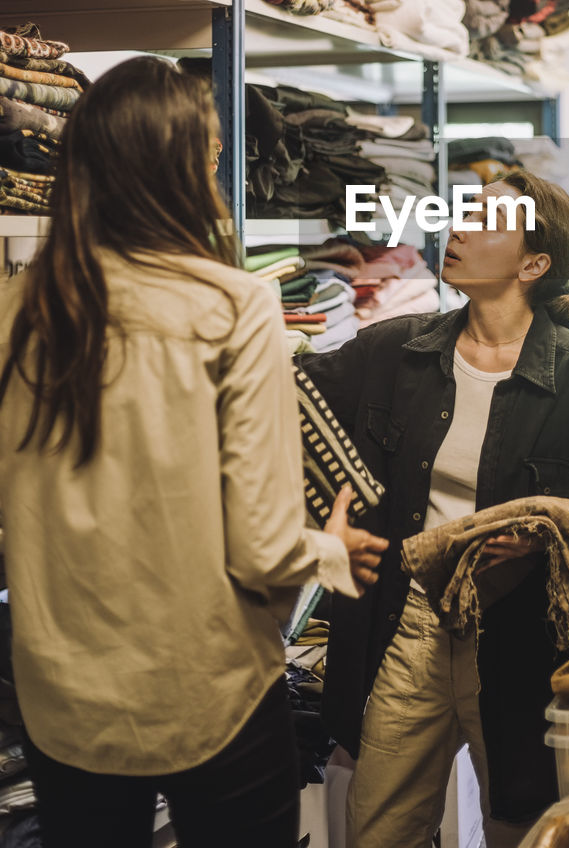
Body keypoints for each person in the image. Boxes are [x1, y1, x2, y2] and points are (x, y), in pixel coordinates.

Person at [0, 56, 387, 848]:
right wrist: (328, 549)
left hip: (59, 686)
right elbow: (262, 546)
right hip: (203, 682)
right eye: (211, 152)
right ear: (181, 167)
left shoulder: (18, 310)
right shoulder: (231, 305)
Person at [297, 170, 569, 848]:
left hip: (519, 638)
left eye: (485, 222)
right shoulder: (391, 352)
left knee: (522, 826)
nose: (456, 229)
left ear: (533, 264)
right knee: (379, 827)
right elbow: (286, 407)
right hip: (409, 621)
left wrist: (545, 546)